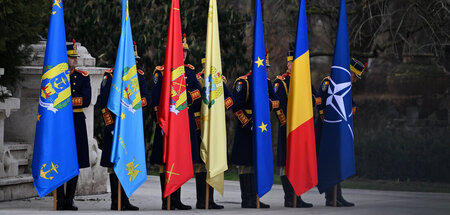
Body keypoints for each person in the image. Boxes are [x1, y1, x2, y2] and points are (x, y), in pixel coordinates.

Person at [99, 41, 148, 211]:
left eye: (134, 59)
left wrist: (132, 103)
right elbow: (103, 104)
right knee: (114, 165)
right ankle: (115, 200)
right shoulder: (110, 76)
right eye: (130, 58)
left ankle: (125, 199)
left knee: (128, 162)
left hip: (130, 128)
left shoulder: (138, 77)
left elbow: (145, 99)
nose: (133, 62)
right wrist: (110, 126)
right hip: (114, 129)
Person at [149, 34, 195, 210]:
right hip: (166, 124)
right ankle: (166, 199)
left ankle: (177, 199)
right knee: (165, 162)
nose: (183, 54)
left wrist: (185, 98)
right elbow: (155, 101)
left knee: (180, 160)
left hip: (182, 124)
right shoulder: (161, 72)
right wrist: (160, 123)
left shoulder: (189, 71)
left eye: (185, 51)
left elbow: (197, 94)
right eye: (180, 50)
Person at [315, 57, 366, 207]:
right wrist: (331, 124)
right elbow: (319, 103)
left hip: (338, 131)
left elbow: (352, 106)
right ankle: (330, 197)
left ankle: (338, 196)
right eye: (354, 76)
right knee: (329, 163)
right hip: (326, 130)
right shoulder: (328, 82)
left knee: (336, 163)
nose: (355, 80)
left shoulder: (345, 87)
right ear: (348, 72)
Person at [230, 56, 278, 209]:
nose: (267, 70)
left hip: (261, 128)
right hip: (246, 130)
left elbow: (276, 102)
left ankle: (256, 197)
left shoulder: (267, 83)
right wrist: (249, 123)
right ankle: (247, 199)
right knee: (246, 165)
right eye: (265, 67)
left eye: (268, 68)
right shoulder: (243, 82)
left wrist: (266, 105)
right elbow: (236, 107)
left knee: (257, 164)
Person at [273, 51, 319, 208]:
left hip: (300, 130)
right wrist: (287, 125)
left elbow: (316, 99)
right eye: (293, 64)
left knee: (298, 163)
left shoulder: (304, 81)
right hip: (287, 130)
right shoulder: (282, 82)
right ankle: (289, 197)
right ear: (288, 64)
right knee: (286, 164)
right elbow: (277, 107)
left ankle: (297, 197)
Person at [193, 53, 233, 209]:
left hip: (215, 125)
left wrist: (220, 108)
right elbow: (195, 101)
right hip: (200, 125)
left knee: (212, 163)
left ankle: (210, 199)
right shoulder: (197, 79)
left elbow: (230, 99)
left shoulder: (219, 79)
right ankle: (201, 200)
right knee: (202, 164)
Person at [56, 39, 91, 210]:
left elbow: (86, 100)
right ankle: (59, 199)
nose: (75, 60)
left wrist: (64, 101)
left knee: (75, 161)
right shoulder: (56, 78)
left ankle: (69, 199)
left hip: (76, 122)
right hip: (61, 123)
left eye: (76, 57)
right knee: (59, 159)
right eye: (72, 57)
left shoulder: (82, 76)